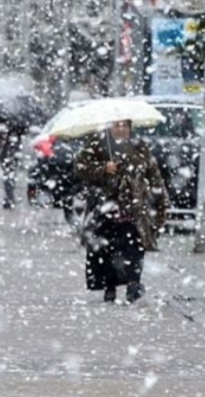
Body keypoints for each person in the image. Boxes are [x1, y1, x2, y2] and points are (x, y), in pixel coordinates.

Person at [74, 120, 169, 304]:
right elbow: (80, 168)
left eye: (125, 126)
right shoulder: (97, 144)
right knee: (107, 249)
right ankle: (110, 287)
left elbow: (154, 175)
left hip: (133, 209)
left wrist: (161, 203)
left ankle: (134, 284)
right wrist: (103, 169)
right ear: (110, 127)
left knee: (133, 248)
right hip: (104, 209)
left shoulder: (139, 147)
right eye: (117, 125)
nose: (121, 129)